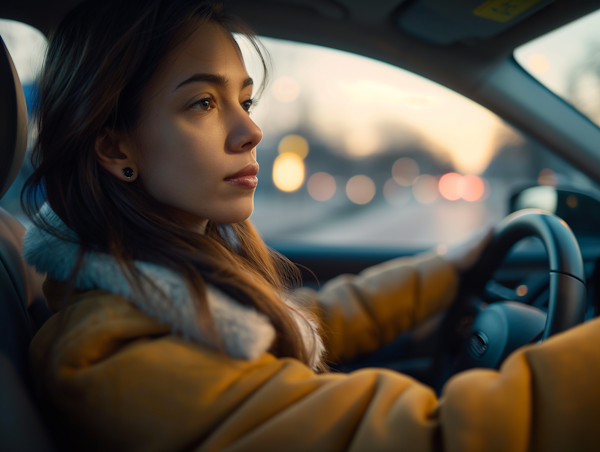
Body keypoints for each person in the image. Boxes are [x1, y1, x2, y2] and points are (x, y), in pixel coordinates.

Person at [22, 0, 600, 451]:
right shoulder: (121, 362)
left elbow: (302, 321)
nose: (251, 131)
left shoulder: (156, 291)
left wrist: (453, 268)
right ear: (114, 145)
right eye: (202, 102)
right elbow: (435, 439)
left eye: (244, 100)